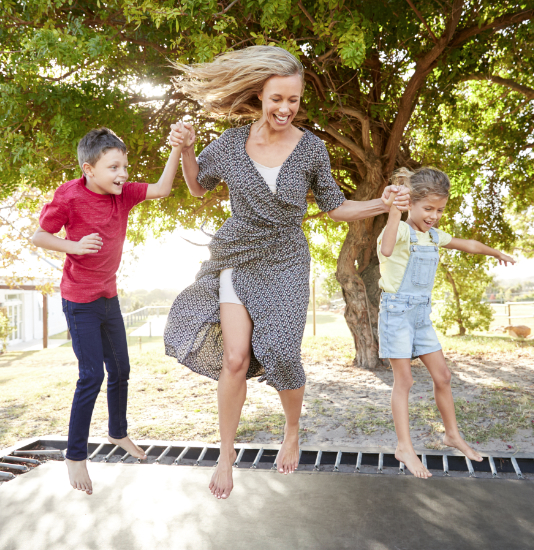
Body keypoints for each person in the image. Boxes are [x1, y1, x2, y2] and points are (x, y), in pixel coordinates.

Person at [164, 45, 410, 500]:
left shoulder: (312, 149)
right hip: (237, 256)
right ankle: (225, 453)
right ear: (260, 94)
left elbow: (336, 208)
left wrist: (382, 203)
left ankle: (292, 429)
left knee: (279, 350)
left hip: (286, 260)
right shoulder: (232, 144)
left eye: (293, 100)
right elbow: (198, 188)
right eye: (277, 98)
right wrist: (188, 151)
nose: (285, 108)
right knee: (235, 358)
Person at [32, 125, 189, 495]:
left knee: (121, 368)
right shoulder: (69, 196)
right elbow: (39, 236)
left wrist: (178, 148)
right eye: (114, 167)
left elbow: (163, 188)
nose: (123, 174)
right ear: (89, 170)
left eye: (125, 166)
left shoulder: (124, 195)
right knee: (92, 376)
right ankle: (75, 456)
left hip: (108, 297)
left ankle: (118, 432)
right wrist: (73, 246)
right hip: (79, 302)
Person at [378, 167, 515, 478]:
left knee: (443, 376)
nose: (435, 215)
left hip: (420, 317)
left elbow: (469, 244)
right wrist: (392, 213)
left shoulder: (434, 236)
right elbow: (386, 249)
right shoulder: (398, 231)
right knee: (405, 381)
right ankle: (404, 447)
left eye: (439, 210)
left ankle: (452, 434)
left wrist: (495, 253)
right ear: (409, 203)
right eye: (428, 208)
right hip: (396, 315)